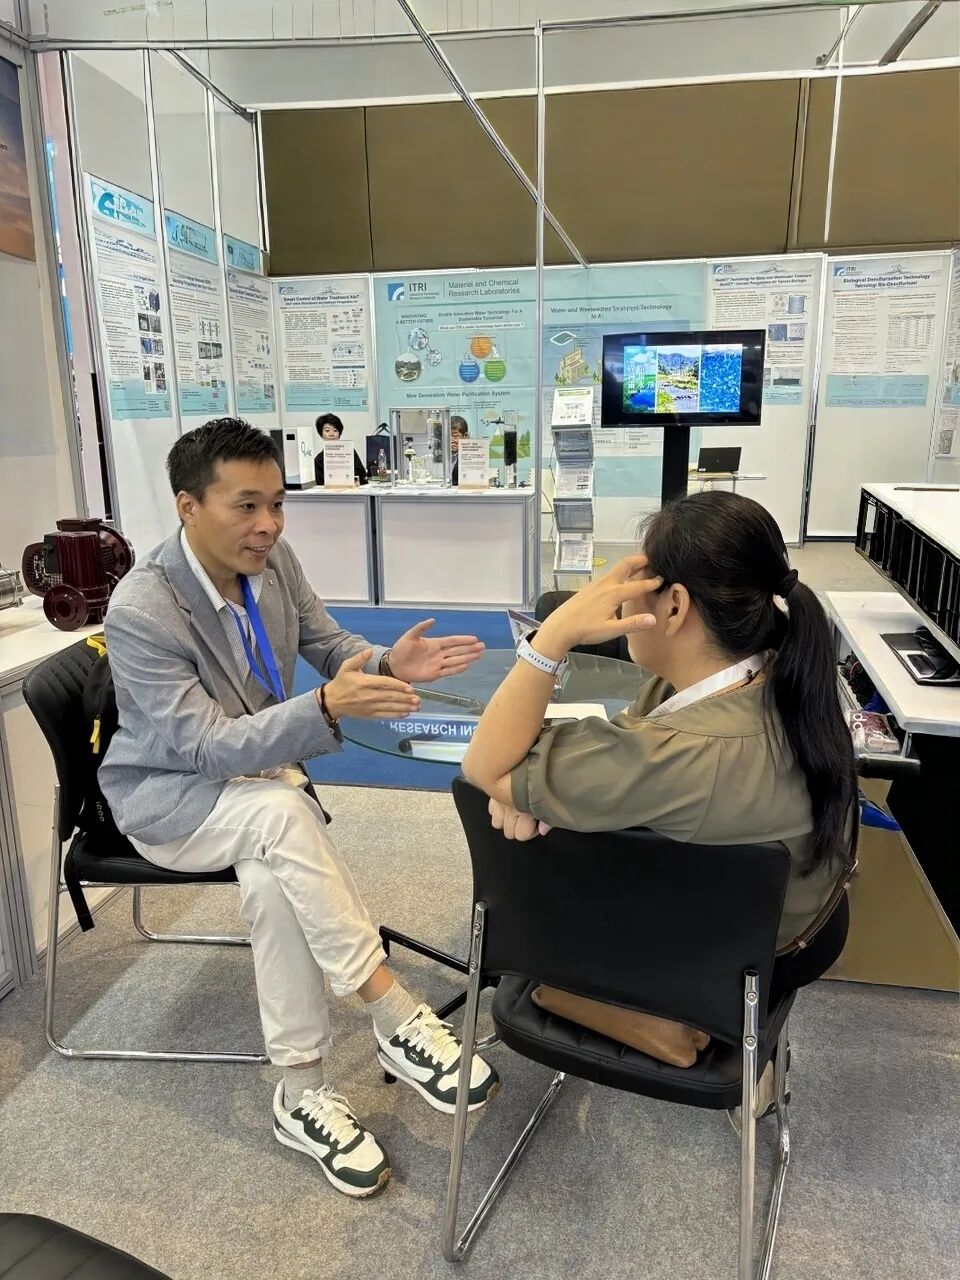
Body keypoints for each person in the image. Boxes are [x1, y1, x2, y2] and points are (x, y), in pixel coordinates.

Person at [100, 418, 498, 1200]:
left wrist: (384, 661)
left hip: (257, 787)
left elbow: (327, 643)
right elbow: (207, 748)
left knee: (272, 873)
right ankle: (391, 1010)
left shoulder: (271, 562)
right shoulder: (142, 609)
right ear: (188, 506)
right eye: (247, 506)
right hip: (171, 800)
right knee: (282, 817)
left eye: (277, 504)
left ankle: (299, 1090)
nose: (269, 525)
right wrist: (324, 706)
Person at [462, 490, 856, 1056]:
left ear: (673, 606)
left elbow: (483, 765)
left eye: (634, 583)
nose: (617, 601)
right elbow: (596, 749)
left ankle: (659, 1013)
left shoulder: (684, 751)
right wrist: (529, 786)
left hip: (742, 960)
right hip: (802, 914)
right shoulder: (771, 670)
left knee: (533, 864)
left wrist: (551, 638)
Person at [314, 412, 368, 486]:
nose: (331, 434)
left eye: (335, 430)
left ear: (339, 433)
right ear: (321, 434)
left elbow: (362, 478)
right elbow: (320, 485)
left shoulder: (350, 452)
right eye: (327, 430)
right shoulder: (318, 460)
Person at [450, 415, 468, 487]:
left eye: (455, 436)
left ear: (465, 436)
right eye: (448, 436)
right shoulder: (441, 456)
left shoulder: (471, 458)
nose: (451, 440)